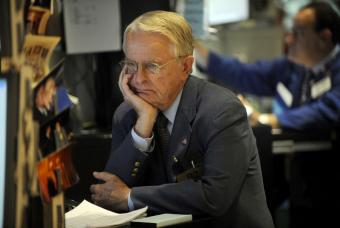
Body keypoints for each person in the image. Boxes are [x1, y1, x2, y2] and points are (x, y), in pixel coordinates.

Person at [89, 10, 274, 228]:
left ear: (186, 67)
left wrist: (131, 196)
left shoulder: (221, 111)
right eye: (131, 64)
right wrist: (143, 126)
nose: (138, 79)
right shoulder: (129, 113)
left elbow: (213, 196)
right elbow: (110, 193)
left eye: (151, 66)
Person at [195, 1, 340, 131]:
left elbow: (329, 110)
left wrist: (269, 121)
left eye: (298, 33)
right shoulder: (291, 67)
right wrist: (201, 54)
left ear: (324, 38)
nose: (288, 40)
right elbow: (246, 73)